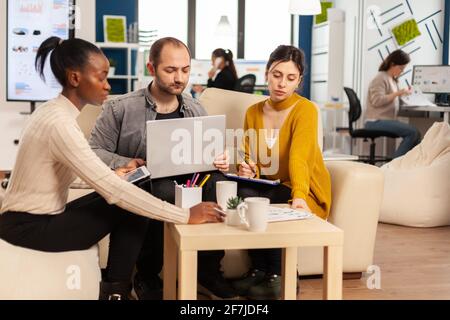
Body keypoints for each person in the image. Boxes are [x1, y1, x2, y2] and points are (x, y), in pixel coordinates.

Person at [0, 37, 224, 301]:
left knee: (132, 186)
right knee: (129, 197)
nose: (108, 86)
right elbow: (115, 193)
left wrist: (114, 174)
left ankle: (116, 286)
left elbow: (72, 173)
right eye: (101, 77)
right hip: (30, 226)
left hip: (34, 217)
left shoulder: (54, 112)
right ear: (75, 78)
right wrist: (185, 215)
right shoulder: (59, 124)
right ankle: (115, 291)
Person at [89, 37, 237, 300]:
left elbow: (213, 154)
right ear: (151, 68)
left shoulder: (196, 109)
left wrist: (221, 159)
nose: (179, 78)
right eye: (170, 70)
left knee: (218, 182)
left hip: (189, 182)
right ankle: (146, 276)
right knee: (159, 190)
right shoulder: (120, 107)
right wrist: (123, 162)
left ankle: (208, 272)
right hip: (148, 185)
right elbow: (93, 152)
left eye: (185, 70)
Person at [231, 45, 332, 300]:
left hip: (303, 186)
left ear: (299, 81)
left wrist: (299, 196)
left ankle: (282, 274)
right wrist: (247, 168)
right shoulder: (253, 111)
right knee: (244, 192)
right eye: (277, 75)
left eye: (290, 78)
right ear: (266, 73)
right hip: (270, 183)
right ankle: (259, 269)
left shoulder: (306, 110)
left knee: (273, 200)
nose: (282, 84)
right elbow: (248, 154)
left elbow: (300, 158)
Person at [365, 49, 421, 158]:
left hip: (385, 120)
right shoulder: (381, 78)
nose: (402, 71)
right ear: (392, 64)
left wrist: (406, 95)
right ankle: (395, 165)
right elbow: (377, 101)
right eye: (401, 68)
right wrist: (398, 93)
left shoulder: (392, 80)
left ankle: (409, 166)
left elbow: (392, 98)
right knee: (413, 133)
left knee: (416, 134)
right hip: (375, 121)